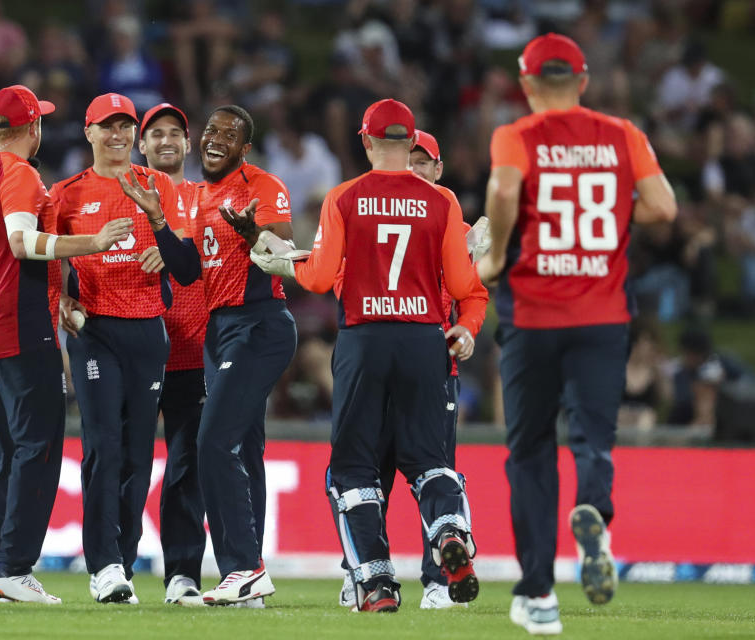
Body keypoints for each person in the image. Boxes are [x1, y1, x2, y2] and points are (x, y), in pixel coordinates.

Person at [475, 34, 677, 635]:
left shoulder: (515, 136)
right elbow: (664, 207)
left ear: (528, 84)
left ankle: (538, 594)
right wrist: (616, 211)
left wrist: (499, 254)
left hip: (533, 315)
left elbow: (506, 190)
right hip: (603, 317)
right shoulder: (623, 135)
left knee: (531, 450)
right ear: (583, 81)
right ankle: (594, 507)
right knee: (593, 438)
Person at [251, 99, 486, 612]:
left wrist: (284, 262)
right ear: (410, 142)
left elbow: (316, 278)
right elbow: (464, 283)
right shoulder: (442, 201)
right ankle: (450, 530)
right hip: (425, 337)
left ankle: (375, 583)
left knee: (355, 469)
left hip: (364, 338)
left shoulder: (343, 197)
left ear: (366, 141)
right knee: (430, 460)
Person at [0, 85, 131, 604]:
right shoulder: (20, 174)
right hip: (20, 323)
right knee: (39, 446)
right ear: (33, 128)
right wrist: (90, 244)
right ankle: (12, 568)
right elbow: (22, 243)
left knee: (6, 448)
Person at [117, 104, 297, 606]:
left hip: (258, 323)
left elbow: (284, 250)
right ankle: (249, 578)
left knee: (214, 441)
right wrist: (157, 218)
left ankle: (243, 567)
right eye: (212, 131)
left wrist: (252, 234)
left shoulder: (262, 185)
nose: (217, 139)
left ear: (245, 149)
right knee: (240, 449)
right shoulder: (198, 199)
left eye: (230, 134)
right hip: (220, 333)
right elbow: (189, 270)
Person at [50, 93, 181, 605]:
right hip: (95, 330)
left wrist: (165, 252)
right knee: (103, 447)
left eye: (125, 126)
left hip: (148, 330)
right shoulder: (66, 194)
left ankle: (123, 560)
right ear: (88, 133)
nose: (118, 135)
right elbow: (42, 256)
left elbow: (185, 251)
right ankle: (103, 564)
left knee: (138, 456)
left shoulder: (159, 185)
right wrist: (59, 298)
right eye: (107, 127)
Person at [137, 102, 209, 606]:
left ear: (188, 144)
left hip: (194, 350)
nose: (166, 141)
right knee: (125, 462)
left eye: (175, 134)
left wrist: (182, 249)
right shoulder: (123, 194)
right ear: (142, 145)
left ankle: (182, 574)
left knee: (187, 467)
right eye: (156, 133)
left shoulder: (207, 198)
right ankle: (112, 568)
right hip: (135, 350)